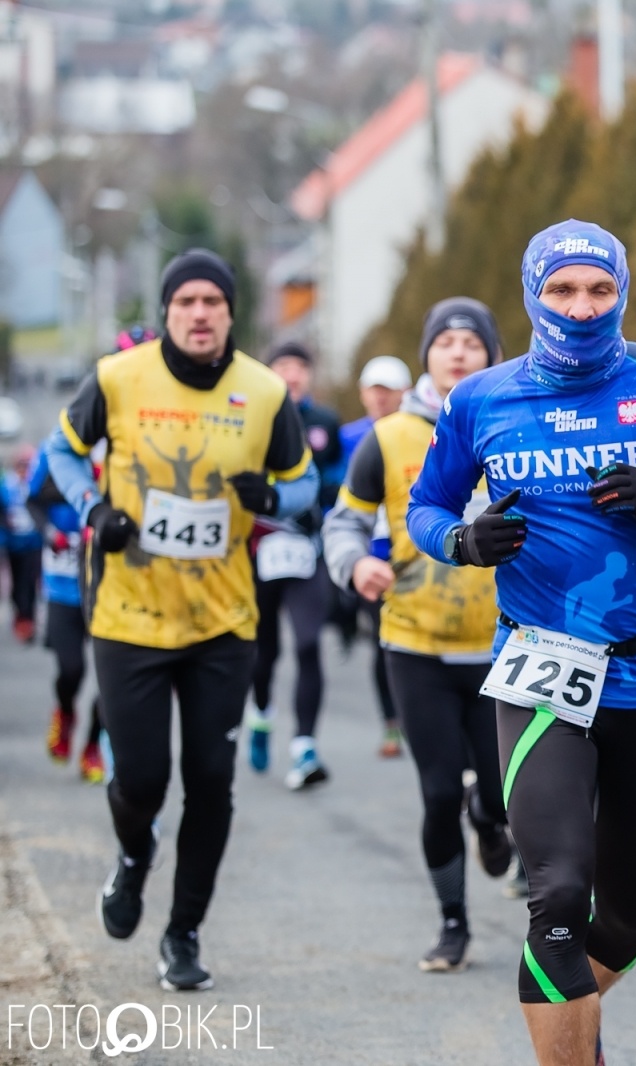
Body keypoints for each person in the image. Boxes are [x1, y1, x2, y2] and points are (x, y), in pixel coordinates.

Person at [408, 220, 636, 1065]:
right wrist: (463, 541)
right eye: (562, 289)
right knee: (556, 897)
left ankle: (570, 1026)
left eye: (599, 288)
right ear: (532, 294)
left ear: (623, 291)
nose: (582, 307)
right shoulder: (479, 398)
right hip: (537, 670)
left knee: (623, 921)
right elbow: (425, 509)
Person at [43, 248, 317, 991]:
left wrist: (273, 498)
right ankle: (135, 856)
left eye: (213, 302)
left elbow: (304, 486)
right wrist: (94, 509)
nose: (200, 313)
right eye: (186, 301)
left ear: (230, 313)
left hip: (223, 622)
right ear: (166, 311)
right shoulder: (116, 378)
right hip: (129, 615)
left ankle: (183, 933)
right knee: (140, 781)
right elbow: (61, 452)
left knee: (211, 781)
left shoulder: (265, 392)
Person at [325, 298, 512, 972]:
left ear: (493, 355)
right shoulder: (388, 437)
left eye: (472, 342)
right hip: (415, 644)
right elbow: (344, 521)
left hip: (504, 648)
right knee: (436, 792)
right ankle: (452, 923)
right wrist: (356, 564)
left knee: (502, 796)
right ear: (426, 355)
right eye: (445, 342)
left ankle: (488, 817)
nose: (458, 352)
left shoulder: (521, 425)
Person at [246, 341, 344, 789]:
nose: (292, 374)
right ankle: (261, 713)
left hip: (307, 547)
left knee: (308, 643)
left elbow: (340, 480)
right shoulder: (251, 417)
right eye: (283, 365)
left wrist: (319, 504)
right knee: (263, 650)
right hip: (259, 547)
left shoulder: (324, 422)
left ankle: (305, 745)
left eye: (300, 367)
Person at [336, 354, 413, 759]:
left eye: (388, 390)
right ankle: (391, 722)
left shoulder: (422, 433)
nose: (380, 398)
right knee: (385, 644)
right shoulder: (349, 437)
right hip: (371, 557)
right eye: (374, 390)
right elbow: (337, 496)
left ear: (405, 392)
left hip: (414, 555)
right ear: (363, 393)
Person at [28, 430, 107, 782]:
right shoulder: (56, 447)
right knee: (71, 669)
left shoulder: (130, 439)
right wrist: (50, 534)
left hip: (109, 588)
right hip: (63, 586)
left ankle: (93, 746)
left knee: (114, 681)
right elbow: (32, 502)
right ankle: (65, 711)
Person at [3, 446, 42, 643]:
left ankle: (29, 618)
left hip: (33, 541)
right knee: (17, 581)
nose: (24, 468)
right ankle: (20, 614)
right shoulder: (6, 485)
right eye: (22, 464)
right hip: (13, 542)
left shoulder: (34, 483)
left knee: (30, 581)